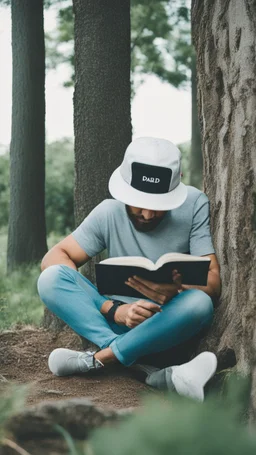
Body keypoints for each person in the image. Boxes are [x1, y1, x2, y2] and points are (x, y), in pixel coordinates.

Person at [37, 137, 221, 402]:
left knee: (200, 303)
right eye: (138, 203)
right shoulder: (108, 212)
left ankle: (99, 359)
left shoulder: (193, 204)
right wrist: (114, 309)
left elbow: (214, 282)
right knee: (51, 278)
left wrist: (176, 287)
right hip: (114, 325)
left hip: (166, 326)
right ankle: (146, 369)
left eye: (157, 206)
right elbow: (54, 257)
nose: (147, 214)